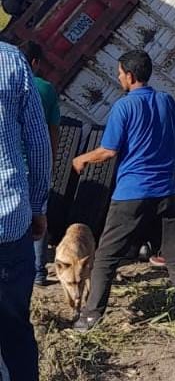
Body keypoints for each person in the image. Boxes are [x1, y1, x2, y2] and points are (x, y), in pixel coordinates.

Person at [71, 50, 175, 333]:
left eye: (119, 73)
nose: (119, 78)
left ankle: (91, 317)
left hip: (131, 193)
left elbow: (109, 151)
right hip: (166, 193)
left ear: (129, 75)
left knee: (106, 257)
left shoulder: (123, 107)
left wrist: (81, 159)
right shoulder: (166, 101)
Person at [0, 40, 51, 381]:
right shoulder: (11, 60)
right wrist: (37, 206)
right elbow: (38, 142)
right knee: (14, 328)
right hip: (8, 222)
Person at [23, 42, 61, 286]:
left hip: (10, 165)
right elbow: (53, 130)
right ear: (35, 63)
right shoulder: (45, 89)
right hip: (36, 164)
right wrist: (52, 159)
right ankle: (38, 272)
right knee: (38, 214)